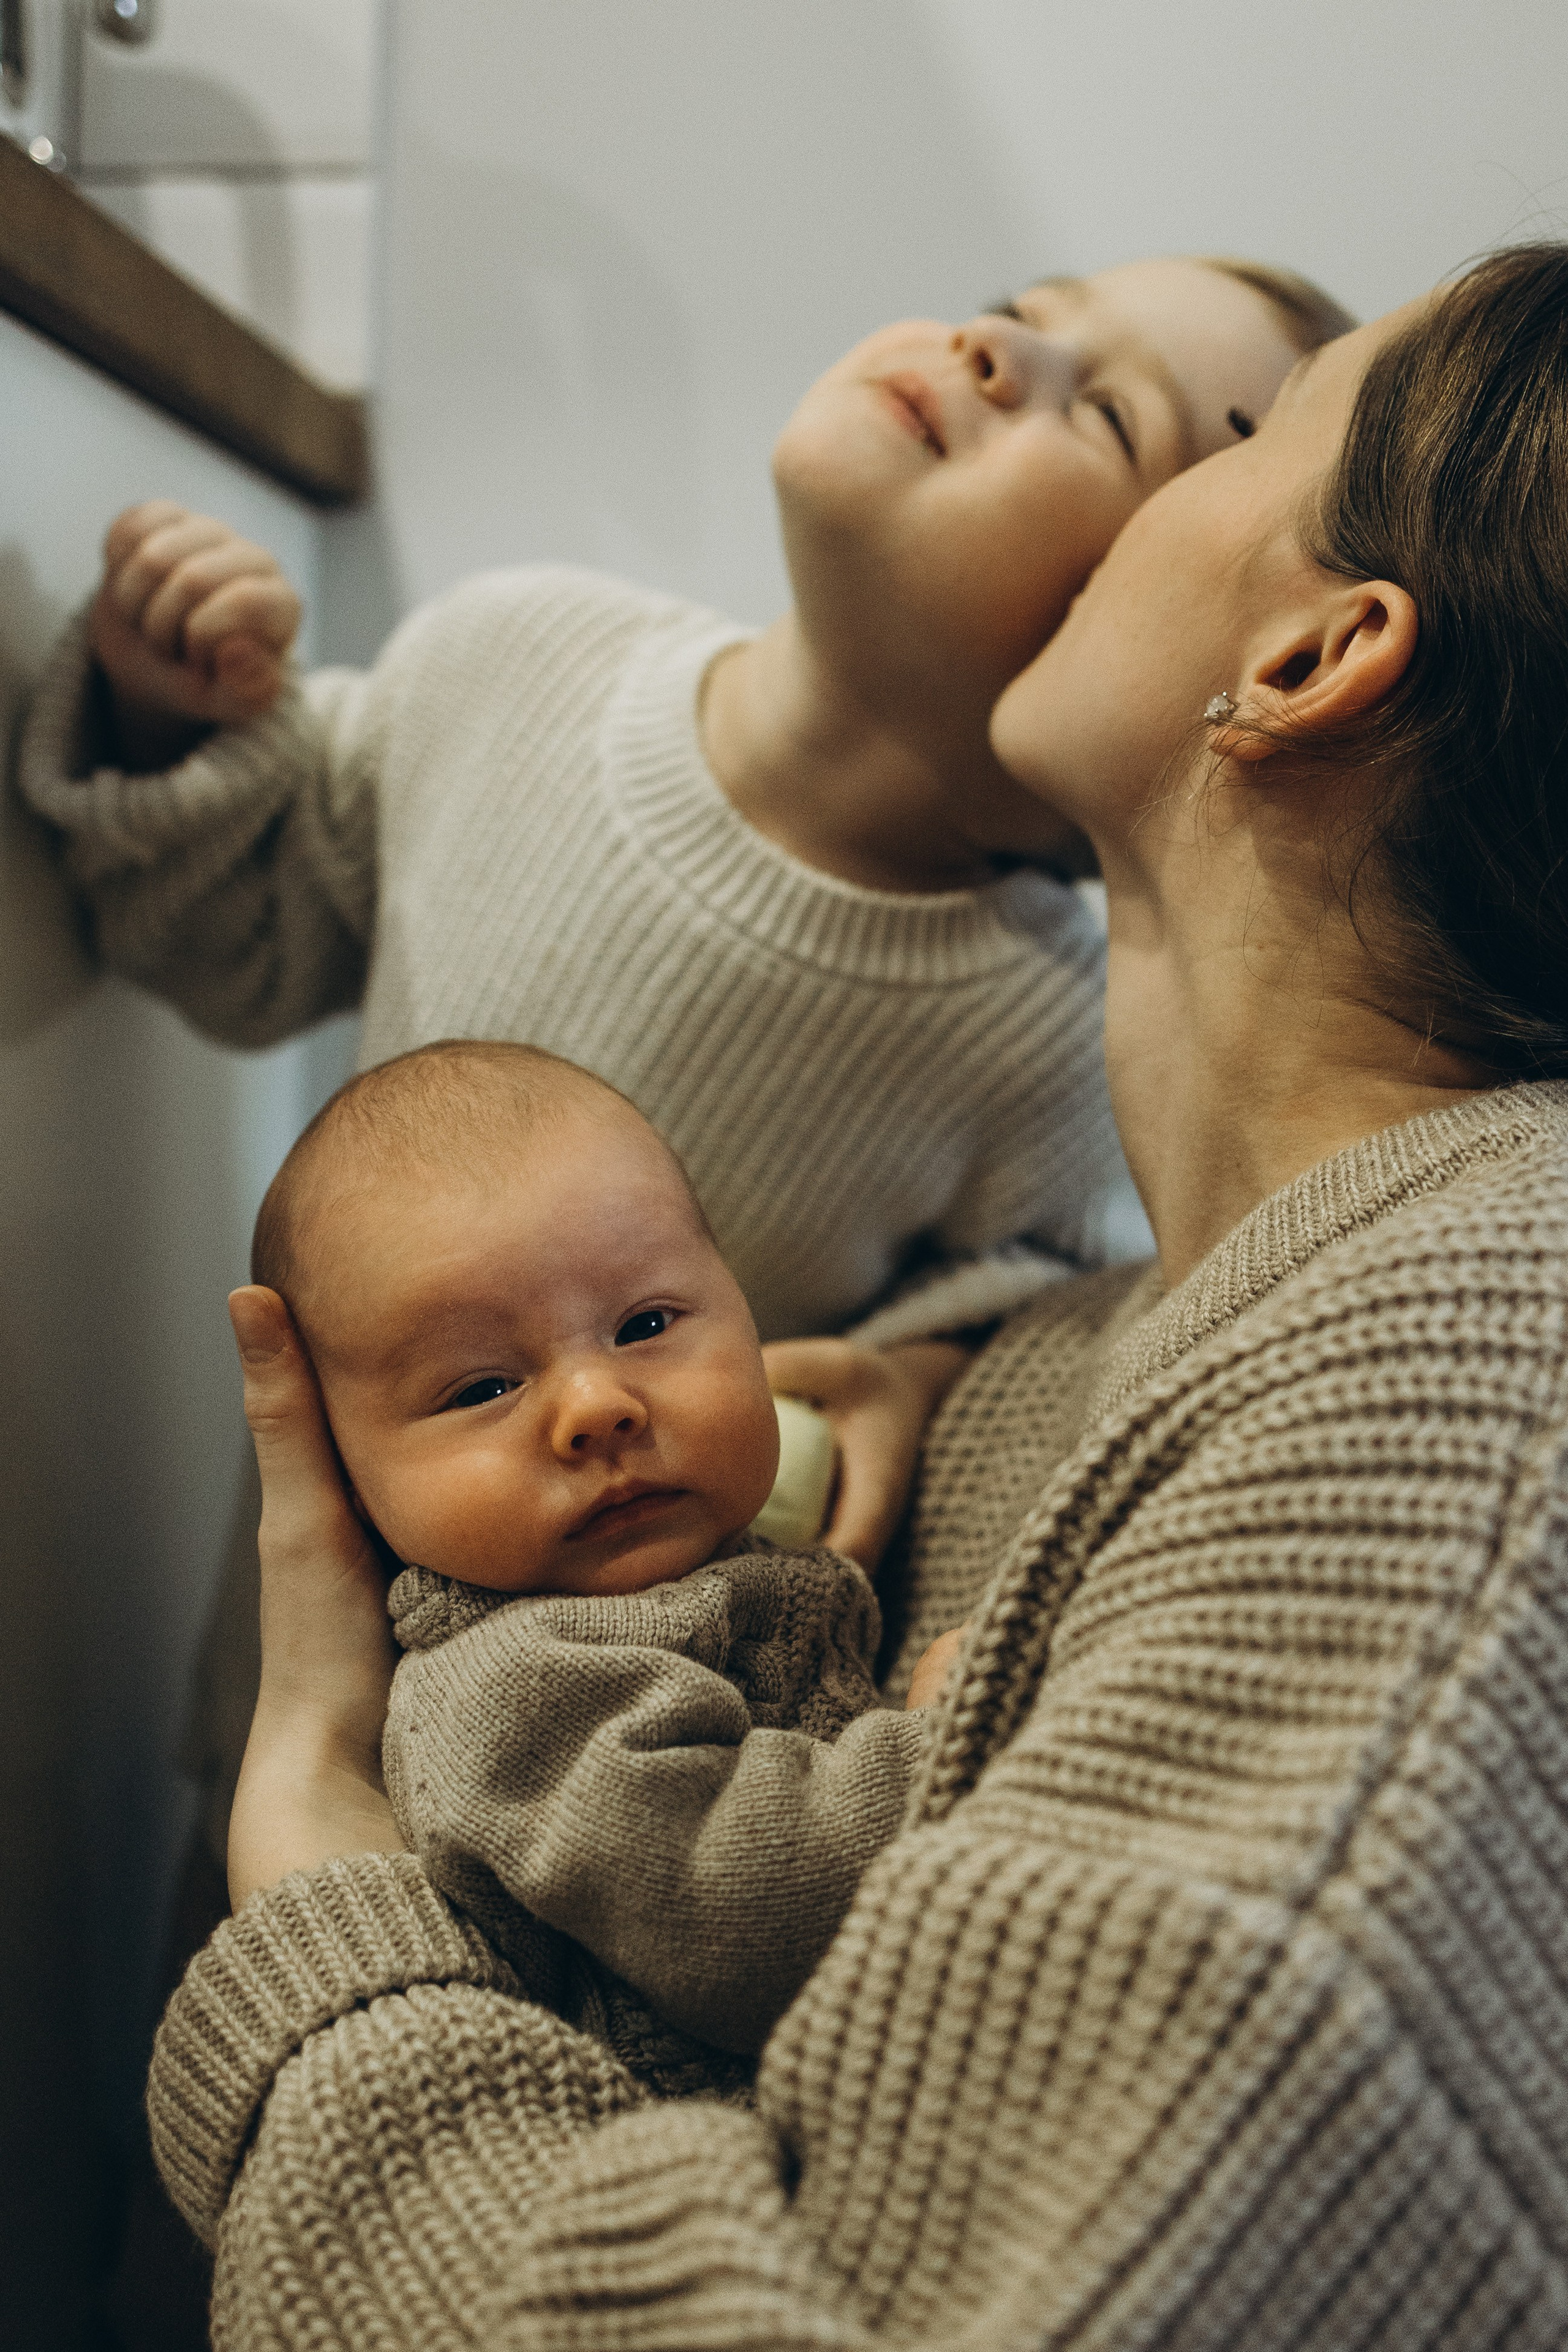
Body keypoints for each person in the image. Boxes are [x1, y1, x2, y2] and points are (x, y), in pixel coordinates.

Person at [149, 243, 1568, 2348]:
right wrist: (945, 1370)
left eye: (1251, 433)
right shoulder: (1136, 1345)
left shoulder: (1460, 1409)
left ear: (1312, 659)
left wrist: (329, 1907)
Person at [19, 257, 1348, 1583]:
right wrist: (173, 709)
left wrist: (907, 1384)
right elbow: (227, 945)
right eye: (1017, 313)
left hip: (642, 1699)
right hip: (302, 1616)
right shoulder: (510, 655)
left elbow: (1019, 1340)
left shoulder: (1056, 1044)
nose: (993, 354)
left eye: (1112, 417)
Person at [246, 1034, 941, 2092]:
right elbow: (750, 1909)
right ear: (346, 1480)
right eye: (481, 1389)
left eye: (646, 1324)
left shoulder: (711, 1564)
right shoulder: (511, 1691)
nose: (598, 1407)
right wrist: (952, 1745)